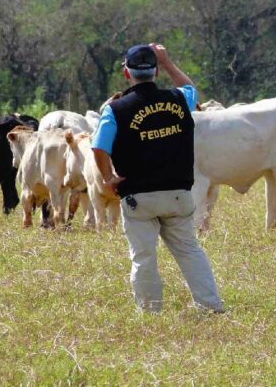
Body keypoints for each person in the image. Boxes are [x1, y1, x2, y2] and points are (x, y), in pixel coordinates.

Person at [92, 43, 224, 313]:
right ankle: (210, 306)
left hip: (139, 197)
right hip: (178, 193)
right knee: (189, 250)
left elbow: (99, 147)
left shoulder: (115, 110)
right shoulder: (178, 99)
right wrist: (167, 62)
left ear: (126, 74)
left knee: (144, 257)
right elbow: (191, 89)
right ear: (155, 72)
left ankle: (151, 312)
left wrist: (109, 177)